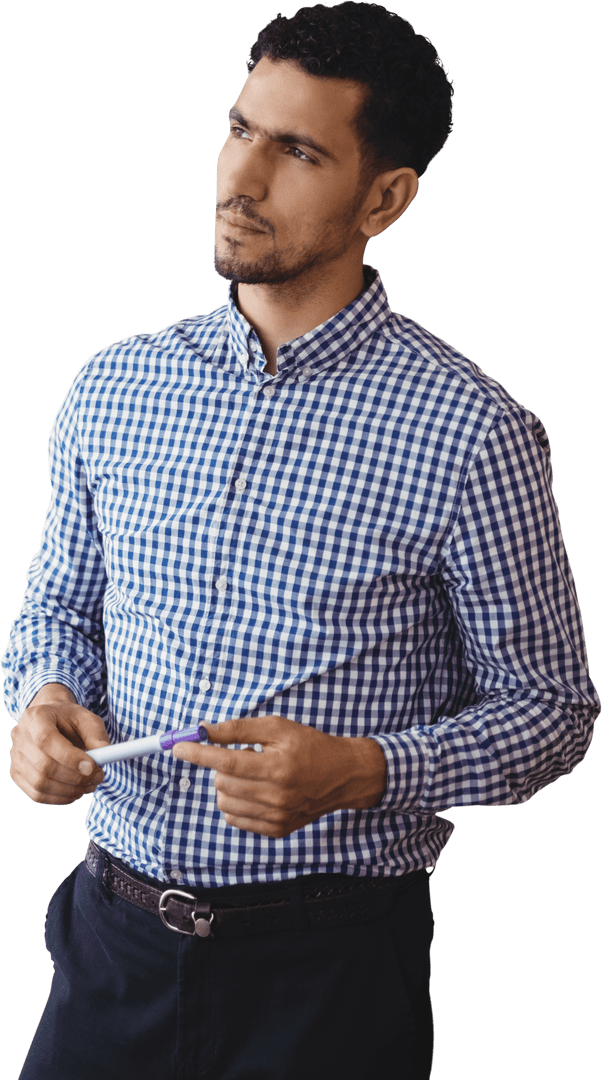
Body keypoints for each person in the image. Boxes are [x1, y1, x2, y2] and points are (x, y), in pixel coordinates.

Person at [3, 3, 599, 1078]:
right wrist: (40, 701)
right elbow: (55, 611)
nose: (242, 177)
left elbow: (550, 716)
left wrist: (366, 772)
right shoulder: (112, 385)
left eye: (296, 150)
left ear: (385, 197)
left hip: (327, 976)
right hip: (109, 948)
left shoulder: (471, 432)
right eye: (238, 129)